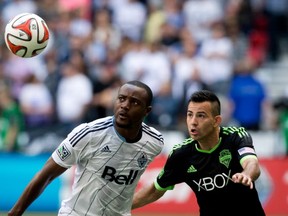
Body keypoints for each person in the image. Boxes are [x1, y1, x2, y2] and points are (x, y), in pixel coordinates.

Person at [8, 80, 164, 216]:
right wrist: (14, 213)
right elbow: (45, 175)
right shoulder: (88, 134)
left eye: (134, 102)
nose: (125, 106)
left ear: (147, 111)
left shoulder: (154, 143)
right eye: (121, 99)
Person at [132, 90, 266, 216]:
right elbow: (155, 189)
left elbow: (251, 164)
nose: (193, 122)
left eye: (201, 116)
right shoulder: (180, 155)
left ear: (216, 121)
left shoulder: (236, 136)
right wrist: (122, 206)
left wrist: (246, 175)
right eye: (190, 114)